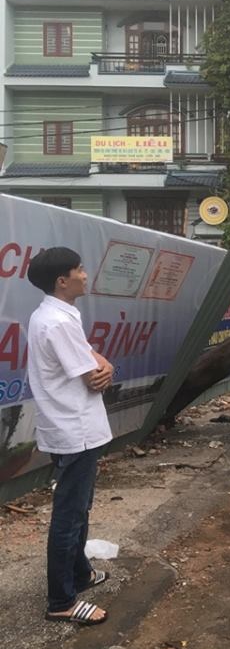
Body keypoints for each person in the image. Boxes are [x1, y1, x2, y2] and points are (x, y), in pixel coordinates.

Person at [26, 247, 115, 626]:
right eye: (79, 269)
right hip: (74, 428)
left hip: (73, 427)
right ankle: (61, 601)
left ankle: (80, 574)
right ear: (62, 280)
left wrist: (103, 361)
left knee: (78, 510)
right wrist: (103, 365)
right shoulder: (57, 322)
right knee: (69, 515)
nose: (84, 273)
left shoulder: (55, 314)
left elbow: (95, 362)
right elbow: (93, 377)